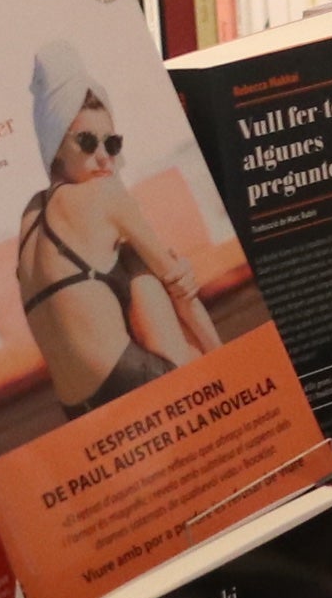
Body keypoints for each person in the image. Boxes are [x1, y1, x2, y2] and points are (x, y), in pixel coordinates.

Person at [12, 49, 222, 414]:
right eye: (88, 143)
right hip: (128, 382)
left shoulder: (29, 216)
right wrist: (225, 363)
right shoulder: (105, 194)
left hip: (78, 411)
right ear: (55, 145)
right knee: (140, 263)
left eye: (112, 143)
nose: (105, 158)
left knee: (128, 265)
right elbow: (183, 295)